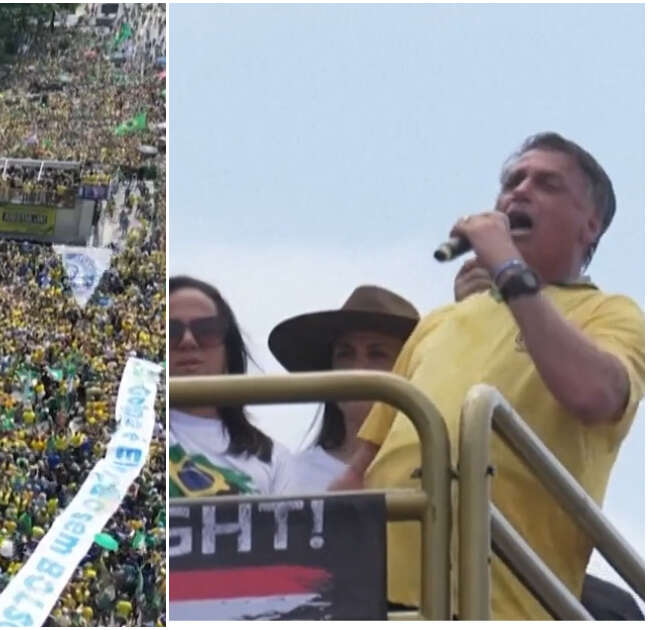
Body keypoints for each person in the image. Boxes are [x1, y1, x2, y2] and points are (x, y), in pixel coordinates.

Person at [333, 132, 644, 619]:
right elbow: (360, 468)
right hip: (386, 603)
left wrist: (509, 268)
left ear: (590, 224)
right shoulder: (440, 322)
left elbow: (594, 394)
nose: (519, 191)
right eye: (512, 181)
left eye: (547, 183)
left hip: (506, 604)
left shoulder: (609, 314)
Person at [269, 285, 418, 494]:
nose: (358, 368)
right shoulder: (292, 475)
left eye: (378, 354)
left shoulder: (434, 468)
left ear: (409, 368)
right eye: (345, 354)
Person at [169, 275, 291, 496]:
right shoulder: (135, 427)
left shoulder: (275, 460)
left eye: (206, 330)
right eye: (172, 331)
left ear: (229, 349)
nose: (188, 341)